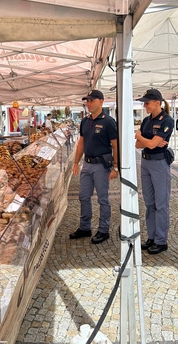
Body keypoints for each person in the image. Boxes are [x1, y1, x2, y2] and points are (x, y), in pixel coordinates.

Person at [69, 89, 118, 244]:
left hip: (101, 166)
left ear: (101, 101)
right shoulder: (85, 121)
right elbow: (81, 143)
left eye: (92, 100)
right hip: (87, 165)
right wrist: (76, 162)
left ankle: (104, 230)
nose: (88, 103)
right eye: (87, 101)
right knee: (83, 197)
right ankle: (85, 227)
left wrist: (115, 167)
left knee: (103, 199)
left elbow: (115, 146)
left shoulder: (108, 121)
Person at [135, 89, 174, 255]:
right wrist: (147, 141)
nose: (145, 105)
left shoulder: (167, 120)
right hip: (145, 163)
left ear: (157, 102)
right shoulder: (146, 120)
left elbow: (148, 144)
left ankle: (161, 241)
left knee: (161, 204)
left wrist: (141, 137)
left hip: (159, 164)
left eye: (147, 102)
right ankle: (151, 237)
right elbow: (138, 145)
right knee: (149, 203)